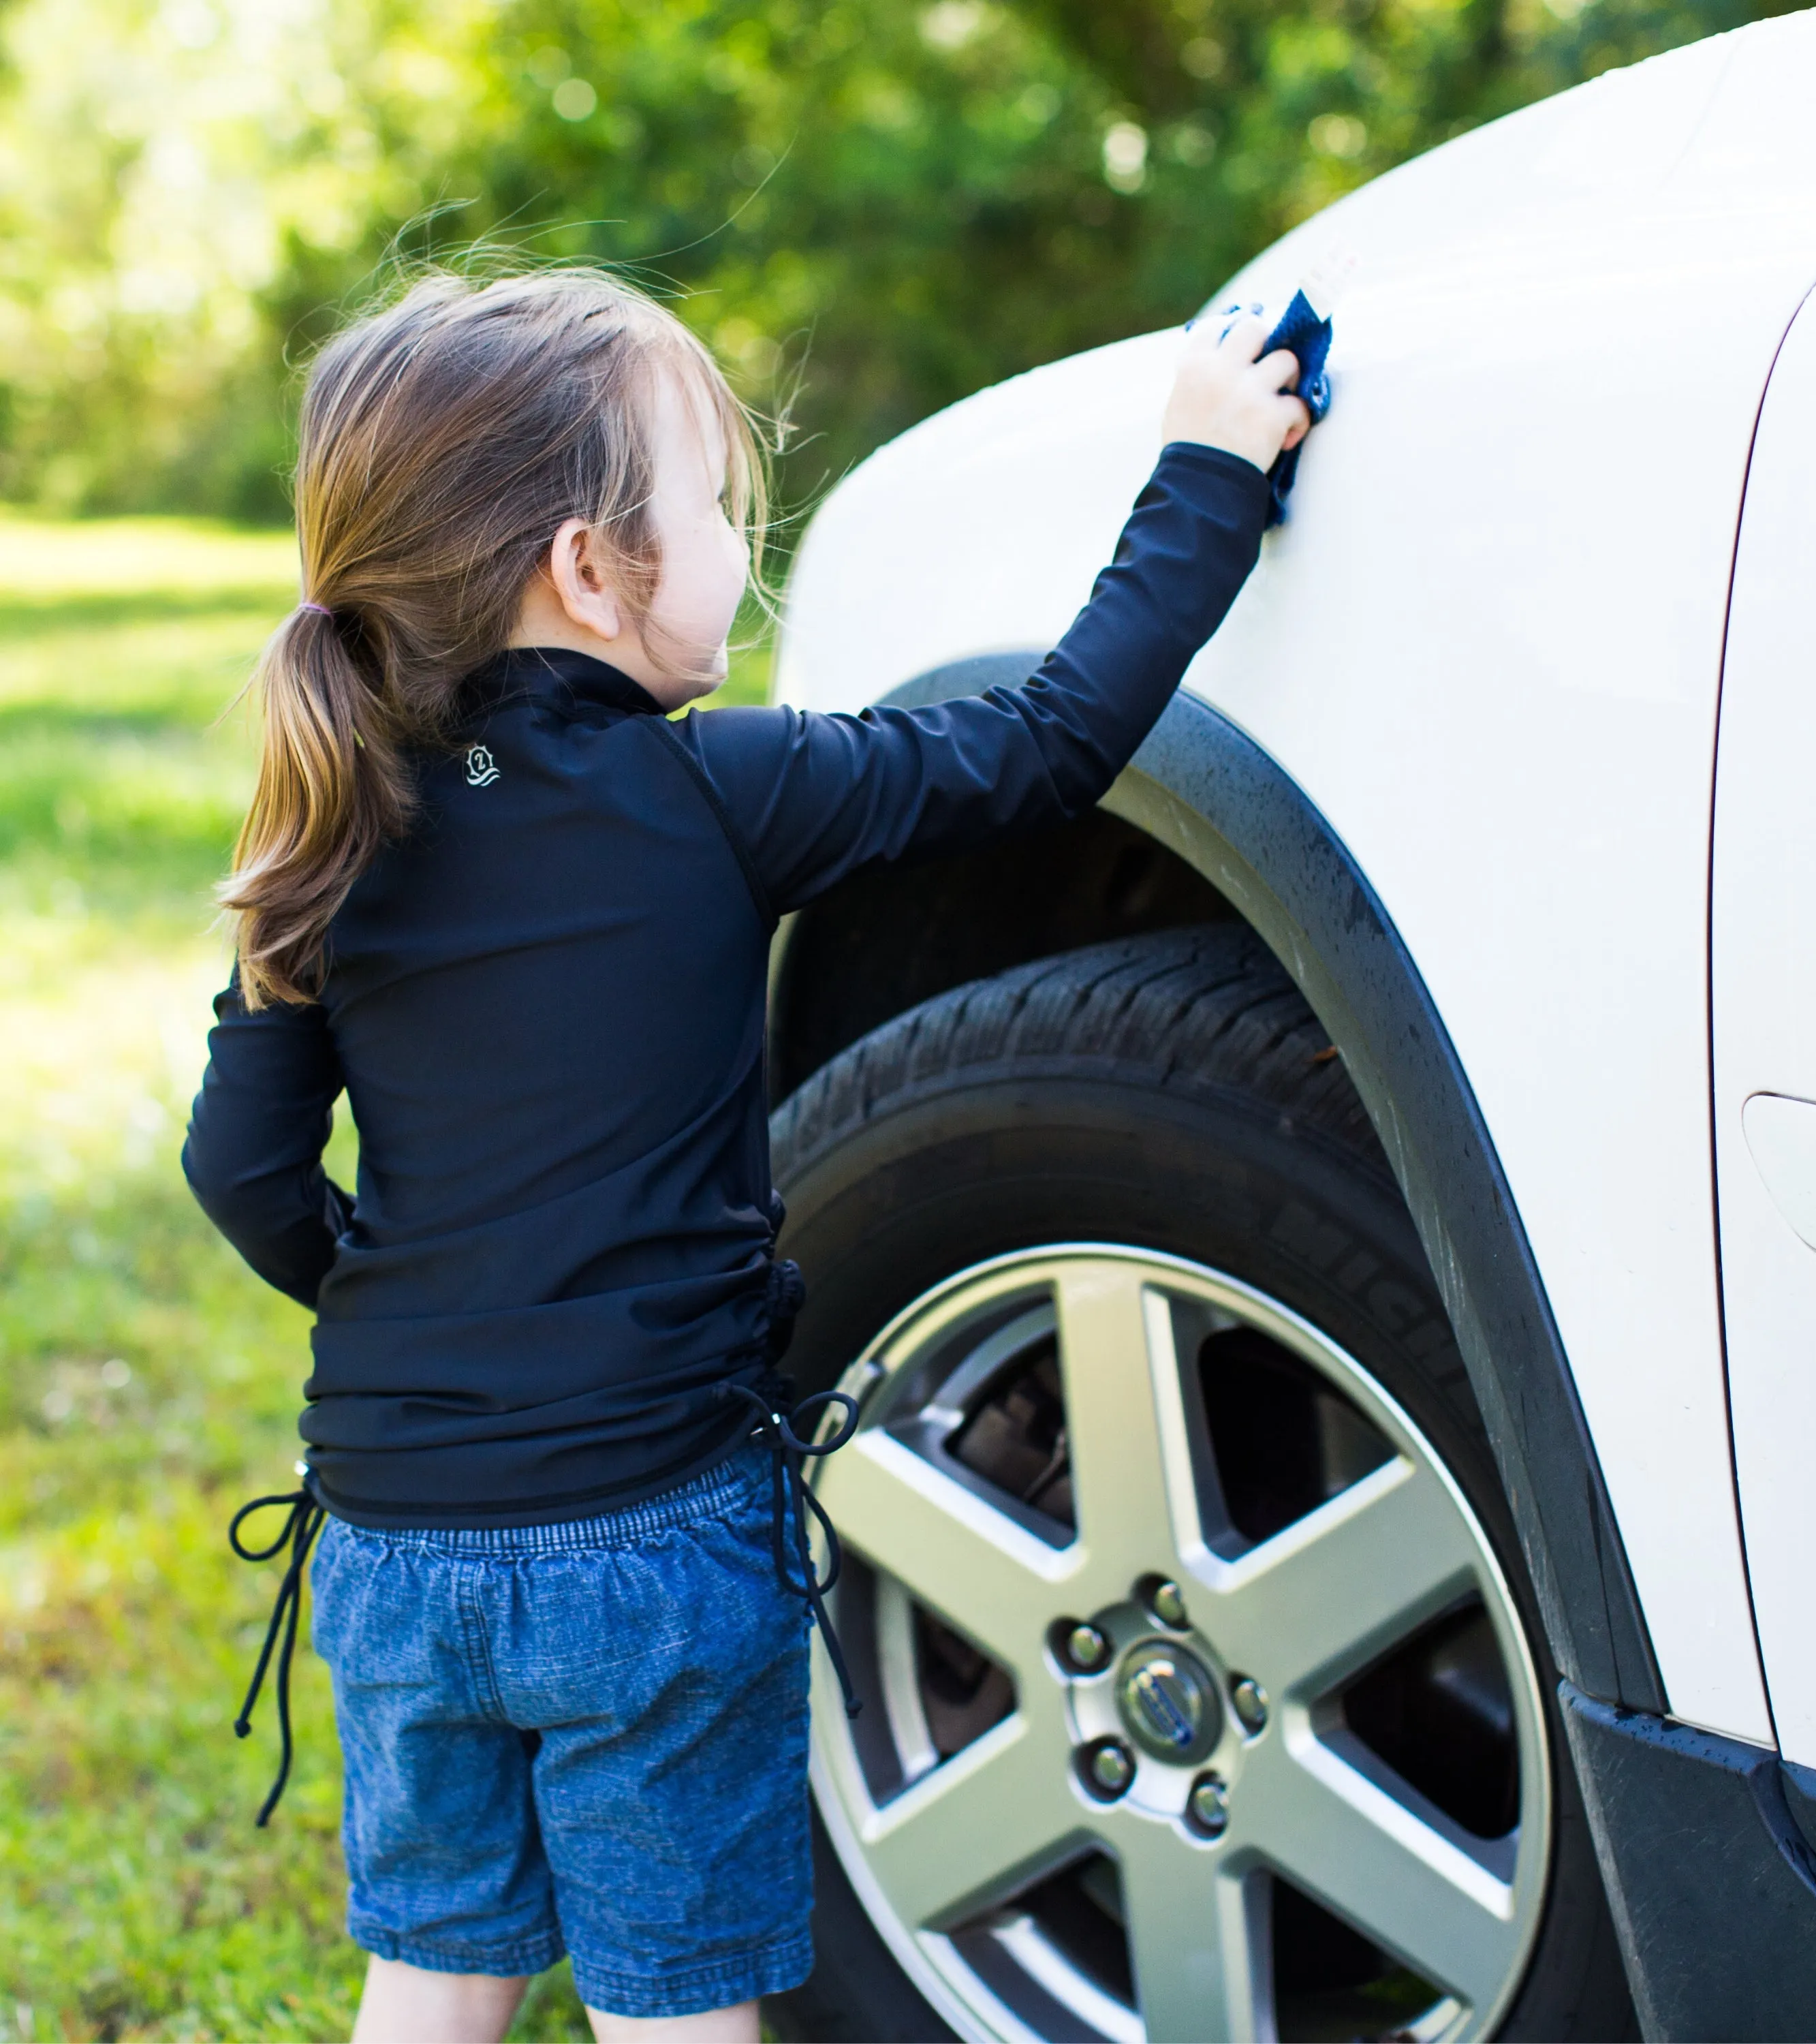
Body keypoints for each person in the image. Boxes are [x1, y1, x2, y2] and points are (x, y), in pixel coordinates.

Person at [182, 263, 1311, 2044]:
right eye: (712, 502)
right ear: (586, 567)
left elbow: (240, 1171)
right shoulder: (712, 791)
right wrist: (1210, 472)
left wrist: (406, 1304)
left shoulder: (332, 829)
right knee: (676, 1996)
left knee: (442, 1965)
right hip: (647, 1534)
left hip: (400, 1537)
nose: (736, 543)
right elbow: (1049, 743)